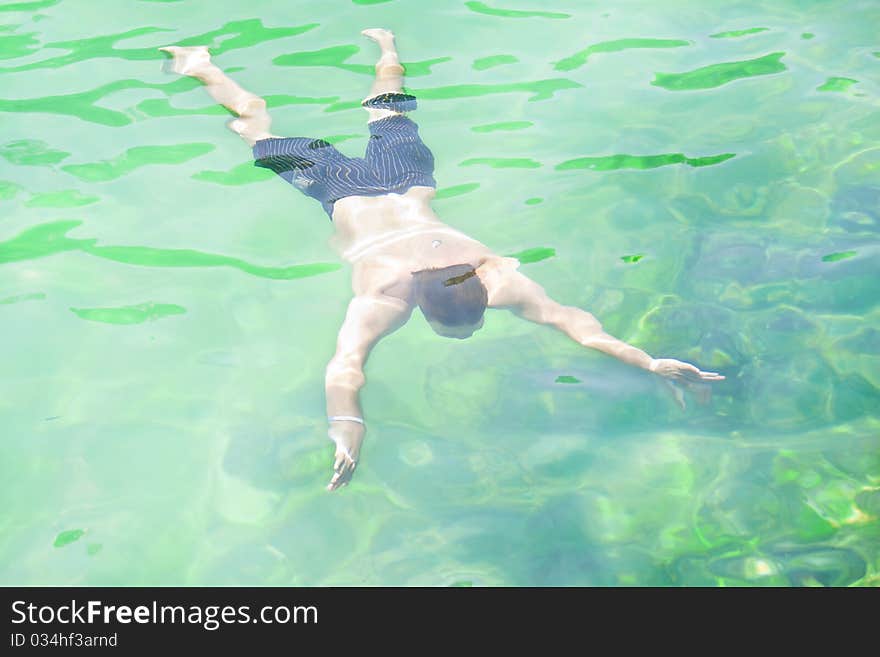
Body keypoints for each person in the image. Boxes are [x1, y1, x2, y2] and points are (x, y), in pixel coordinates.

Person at [160, 29, 724, 491]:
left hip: (406, 182)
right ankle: (207, 66)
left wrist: (647, 363)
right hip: (343, 188)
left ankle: (383, 48)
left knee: (386, 109)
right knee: (254, 125)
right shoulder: (392, 293)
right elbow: (345, 369)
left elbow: (576, 326)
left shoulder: (488, 275)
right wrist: (347, 427)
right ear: (428, 308)